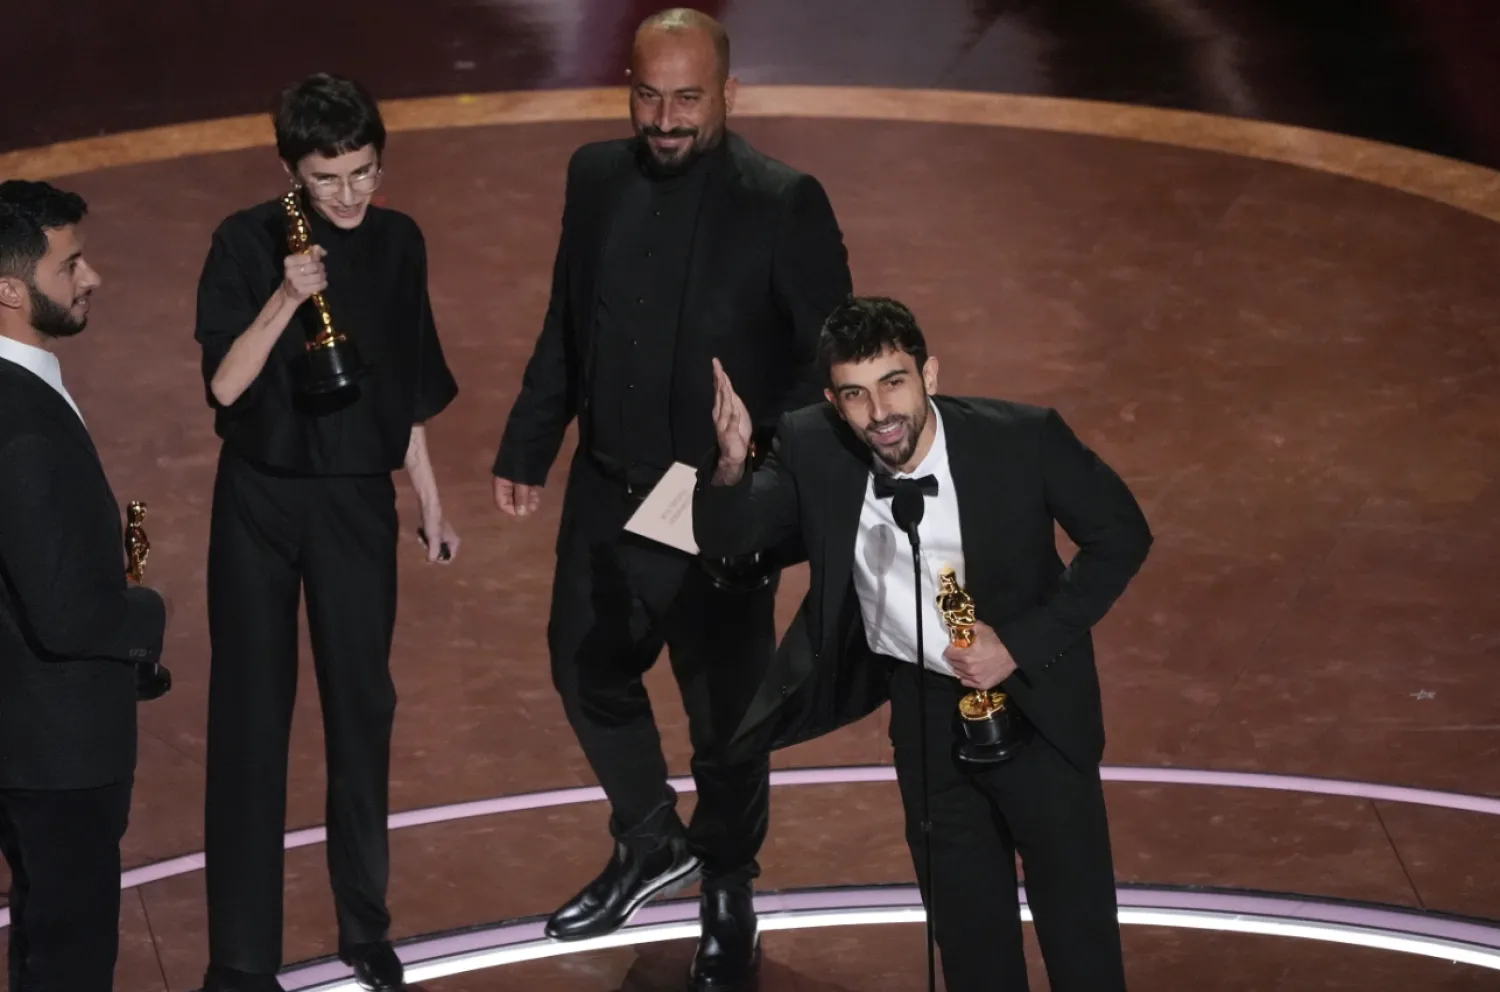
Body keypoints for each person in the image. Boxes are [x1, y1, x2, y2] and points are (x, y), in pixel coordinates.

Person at [491, 7, 851, 987]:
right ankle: (651, 835)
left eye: (687, 97)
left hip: (716, 500)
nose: (665, 117)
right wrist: (530, 441)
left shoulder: (785, 202)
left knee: (726, 715)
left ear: (729, 94)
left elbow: (829, 369)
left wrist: (757, 472)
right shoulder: (595, 176)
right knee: (584, 665)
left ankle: (728, 888)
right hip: (608, 484)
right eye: (648, 95)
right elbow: (570, 319)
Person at [694, 297, 1153, 991]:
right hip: (924, 713)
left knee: (1078, 925)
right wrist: (729, 467)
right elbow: (732, 539)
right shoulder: (814, 444)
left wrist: (1019, 644)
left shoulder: (1022, 439)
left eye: (894, 382)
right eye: (855, 394)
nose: (879, 412)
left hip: (1036, 703)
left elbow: (1122, 535)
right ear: (833, 400)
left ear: (929, 374)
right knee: (969, 936)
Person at [193, 73, 460, 992]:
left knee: (361, 714)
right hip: (259, 501)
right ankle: (239, 957)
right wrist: (283, 297)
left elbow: (408, 383)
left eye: (363, 173)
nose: (349, 195)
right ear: (289, 170)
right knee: (249, 722)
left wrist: (429, 498)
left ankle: (364, 926)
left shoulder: (399, 243)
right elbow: (226, 388)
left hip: (354, 501)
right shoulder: (243, 241)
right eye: (327, 177)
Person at [0, 180, 169, 990]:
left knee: (44, 930)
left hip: (26, 734)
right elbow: (66, 614)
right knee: (68, 955)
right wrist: (146, 615)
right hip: (57, 746)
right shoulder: (23, 426)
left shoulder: (23, 390)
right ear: (9, 287)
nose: (92, 276)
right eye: (71, 264)